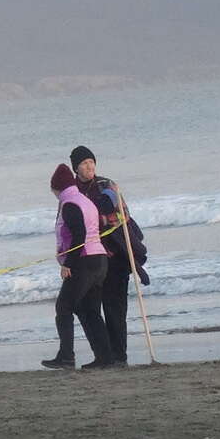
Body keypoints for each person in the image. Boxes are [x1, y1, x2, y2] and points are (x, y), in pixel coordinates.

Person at [71, 144, 148, 366]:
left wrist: (91, 218)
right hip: (89, 259)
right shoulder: (73, 191)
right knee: (88, 307)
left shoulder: (107, 185)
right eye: (85, 164)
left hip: (115, 257)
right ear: (76, 168)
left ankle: (119, 356)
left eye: (92, 163)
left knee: (115, 308)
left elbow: (120, 215)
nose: (89, 167)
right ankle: (103, 355)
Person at [42, 162, 114, 369]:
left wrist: (68, 264)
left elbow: (79, 235)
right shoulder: (85, 201)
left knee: (63, 307)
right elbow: (98, 227)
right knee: (89, 310)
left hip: (84, 261)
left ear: (58, 188)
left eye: (54, 190)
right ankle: (105, 358)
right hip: (99, 259)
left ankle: (66, 356)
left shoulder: (70, 204)